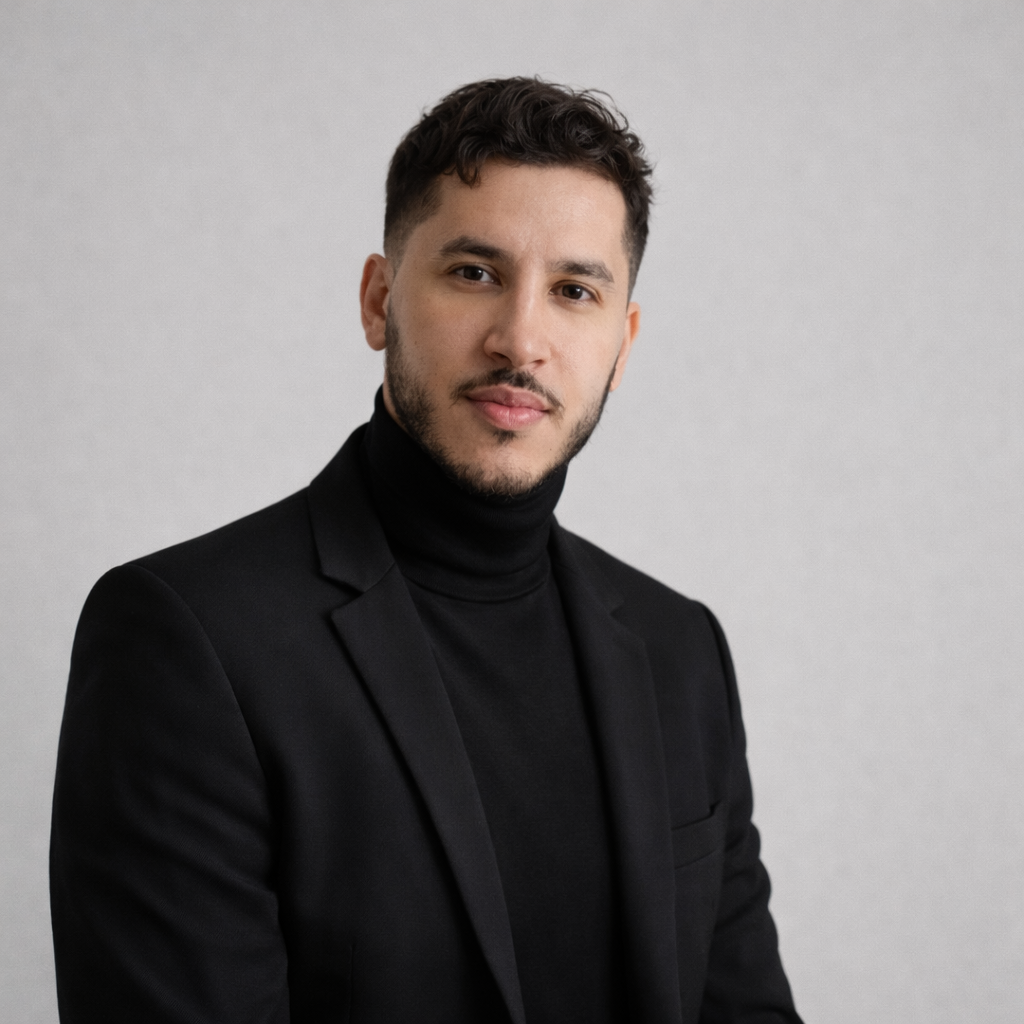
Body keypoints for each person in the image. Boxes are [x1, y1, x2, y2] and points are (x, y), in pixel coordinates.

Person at [50, 77, 803, 1024]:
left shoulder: (678, 649)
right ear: (379, 301)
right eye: (475, 273)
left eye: (574, 291)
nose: (520, 341)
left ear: (623, 343)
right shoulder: (188, 640)